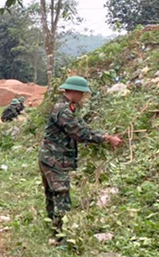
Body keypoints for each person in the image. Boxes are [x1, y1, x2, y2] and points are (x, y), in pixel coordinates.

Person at [38, 76, 122, 244]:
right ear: (75, 92)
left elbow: (83, 127)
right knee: (61, 196)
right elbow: (79, 133)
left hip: (49, 158)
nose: (83, 97)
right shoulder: (63, 110)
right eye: (82, 94)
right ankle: (59, 237)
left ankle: (53, 230)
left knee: (52, 195)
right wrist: (106, 138)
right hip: (54, 160)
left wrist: (103, 136)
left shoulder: (67, 108)